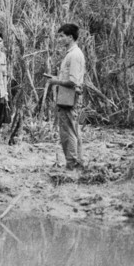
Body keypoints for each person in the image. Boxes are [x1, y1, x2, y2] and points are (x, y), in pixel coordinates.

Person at [47, 23, 85, 170]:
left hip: (70, 99)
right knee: (72, 130)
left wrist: (55, 81)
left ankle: (72, 164)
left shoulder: (74, 55)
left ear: (70, 37)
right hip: (66, 98)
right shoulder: (72, 54)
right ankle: (76, 163)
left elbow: (73, 81)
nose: (60, 39)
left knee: (68, 132)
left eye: (62, 36)